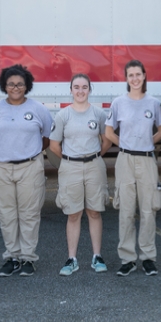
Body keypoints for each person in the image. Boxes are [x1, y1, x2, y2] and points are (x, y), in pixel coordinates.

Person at [0, 64, 53, 277]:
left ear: (27, 86)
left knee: (30, 214)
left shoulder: (38, 109)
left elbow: (48, 137)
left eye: (20, 84)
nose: (15, 87)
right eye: (11, 84)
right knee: (7, 215)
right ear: (4, 85)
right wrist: (7, 152)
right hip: (2, 168)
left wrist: (28, 152)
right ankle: (12, 257)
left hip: (30, 167)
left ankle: (28, 258)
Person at [105, 60, 161, 277]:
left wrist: (147, 142)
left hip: (147, 161)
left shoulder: (153, 103)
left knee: (149, 210)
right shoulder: (119, 103)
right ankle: (128, 258)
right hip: (125, 160)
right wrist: (125, 143)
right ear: (126, 78)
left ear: (144, 76)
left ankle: (148, 258)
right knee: (126, 210)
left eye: (138, 74)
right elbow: (109, 132)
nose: (135, 78)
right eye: (130, 75)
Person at [48, 74, 112, 276]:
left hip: (94, 165)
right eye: (76, 87)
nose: (81, 91)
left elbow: (106, 140)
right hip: (70, 167)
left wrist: (92, 157)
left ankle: (97, 256)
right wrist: (72, 158)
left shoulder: (99, 114)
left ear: (90, 90)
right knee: (73, 213)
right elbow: (54, 146)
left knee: (94, 211)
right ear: (71, 90)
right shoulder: (63, 116)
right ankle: (72, 258)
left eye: (84, 87)